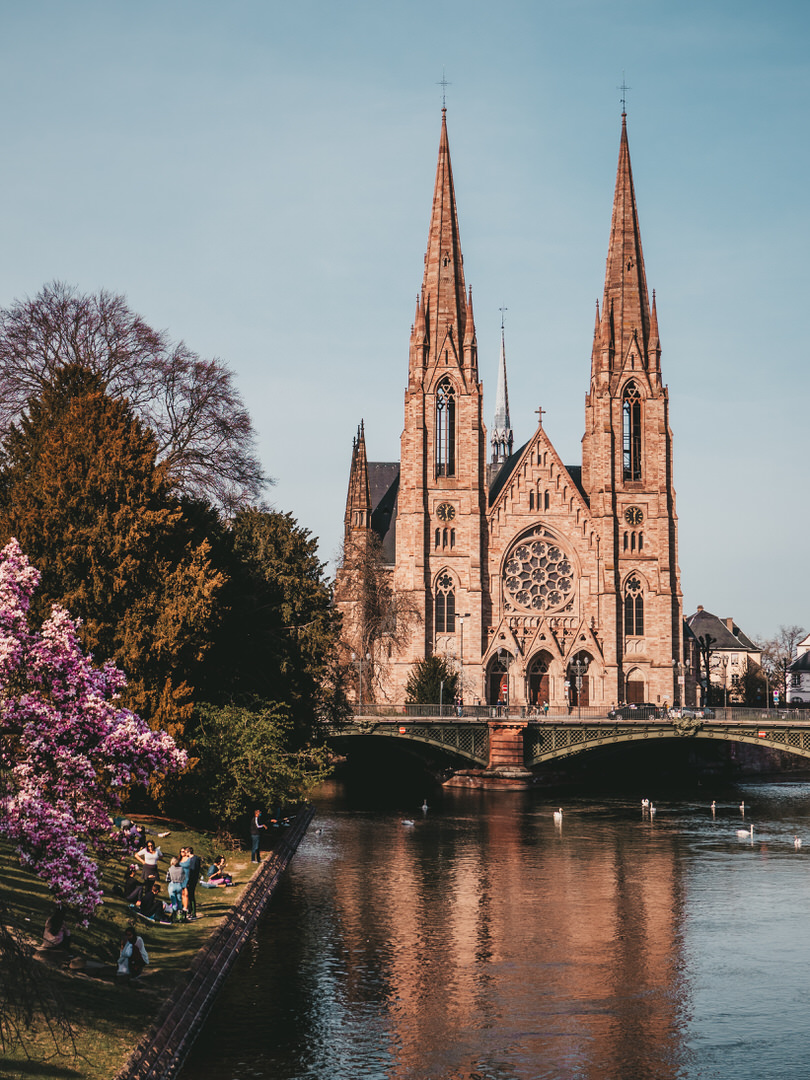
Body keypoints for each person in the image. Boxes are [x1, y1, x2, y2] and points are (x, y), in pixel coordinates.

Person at [184, 845, 202, 919]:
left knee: (191, 896)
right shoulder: (196, 859)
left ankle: (193, 913)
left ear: (188, 852)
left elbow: (192, 871)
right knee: (189, 895)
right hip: (193, 879)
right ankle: (190, 910)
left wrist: (188, 881)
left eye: (186, 852)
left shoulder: (193, 860)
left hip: (191, 880)